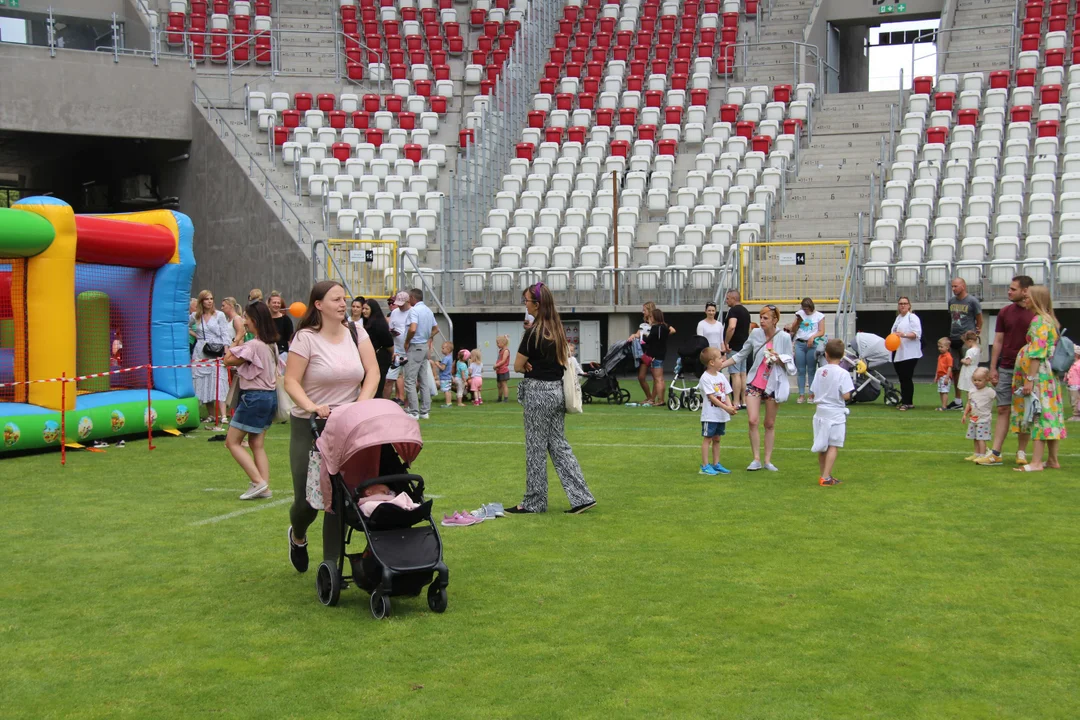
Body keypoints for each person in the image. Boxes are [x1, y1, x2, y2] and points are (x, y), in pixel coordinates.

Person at [283, 280, 380, 573]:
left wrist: (360, 404)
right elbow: (290, 381)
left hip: (347, 424)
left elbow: (373, 371)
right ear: (318, 305)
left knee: (338, 499)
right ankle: (298, 536)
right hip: (309, 426)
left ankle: (331, 568)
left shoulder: (356, 332)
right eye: (336, 299)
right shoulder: (305, 338)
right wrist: (312, 406)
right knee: (306, 502)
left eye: (344, 298)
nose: (343, 304)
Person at [507, 283, 596, 514]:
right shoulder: (556, 329)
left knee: (536, 449)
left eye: (526, 300)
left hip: (538, 393)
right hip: (556, 393)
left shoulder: (533, 332)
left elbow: (517, 365)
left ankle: (534, 502)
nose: (525, 304)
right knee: (559, 445)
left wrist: (525, 365)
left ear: (536, 304)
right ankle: (582, 497)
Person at [720, 305, 795, 471]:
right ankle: (756, 459)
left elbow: (790, 363)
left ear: (775, 320)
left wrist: (779, 359)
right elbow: (741, 354)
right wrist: (721, 365)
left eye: (765, 318)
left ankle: (768, 460)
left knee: (769, 423)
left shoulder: (783, 337)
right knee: (752, 420)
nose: (761, 321)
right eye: (761, 317)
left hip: (773, 384)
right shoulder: (755, 334)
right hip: (755, 382)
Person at [222, 302, 280, 500]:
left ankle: (258, 481)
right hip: (269, 397)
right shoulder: (270, 344)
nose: (244, 322)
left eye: (246, 318)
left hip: (254, 397)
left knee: (232, 442)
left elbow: (228, 359)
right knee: (257, 443)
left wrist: (237, 337)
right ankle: (263, 487)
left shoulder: (253, 345)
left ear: (254, 321)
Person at [977, 276, 1035, 466]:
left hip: (1026, 369)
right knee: (1002, 408)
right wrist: (993, 367)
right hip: (1006, 367)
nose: (1009, 292)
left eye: (1013, 289)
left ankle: (1021, 451)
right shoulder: (1004, 312)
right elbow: (999, 341)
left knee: (1025, 410)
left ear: (1025, 291)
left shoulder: (1036, 313)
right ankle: (996, 452)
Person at [1010, 285, 1068, 472]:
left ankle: (1036, 462)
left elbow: (1036, 353)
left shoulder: (1039, 322)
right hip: (1045, 375)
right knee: (1049, 414)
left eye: (1027, 297)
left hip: (1040, 376)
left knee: (1039, 415)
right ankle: (1052, 459)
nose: (1024, 300)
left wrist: (1029, 378)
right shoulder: (1048, 320)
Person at [810, 338, 854, 487]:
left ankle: (824, 474)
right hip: (835, 412)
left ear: (826, 355)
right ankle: (826, 476)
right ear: (842, 356)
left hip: (820, 411)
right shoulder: (843, 373)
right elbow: (847, 395)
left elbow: (814, 391)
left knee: (822, 445)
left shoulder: (820, 371)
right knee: (833, 445)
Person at [191, 289, 232, 431]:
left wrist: (226, 350)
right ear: (201, 301)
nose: (209, 301)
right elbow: (184, 325)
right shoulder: (196, 316)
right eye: (206, 299)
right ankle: (210, 414)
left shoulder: (219, 315)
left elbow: (225, 333)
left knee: (219, 380)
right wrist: (195, 335)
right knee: (203, 381)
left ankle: (223, 415)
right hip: (201, 351)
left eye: (211, 298)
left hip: (217, 350)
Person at [697, 347, 737, 476]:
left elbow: (726, 393)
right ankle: (705, 465)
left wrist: (731, 407)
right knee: (707, 439)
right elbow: (712, 398)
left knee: (717, 439)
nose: (723, 360)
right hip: (710, 415)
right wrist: (726, 408)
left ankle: (716, 463)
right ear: (711, 363)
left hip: (720, 415)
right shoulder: (705, 378)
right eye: (720, 358)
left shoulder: (721, 376)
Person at [947, 278, 983, 409]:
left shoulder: (972, 301)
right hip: (954, 337)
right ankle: (958, 401)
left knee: (969, 369)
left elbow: (979, 319)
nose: (953, 288)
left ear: (963, 286)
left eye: (956, 286)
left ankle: (974, 399)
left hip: (966, 339)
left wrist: (975, 336)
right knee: (956, 370)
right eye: (952, 286)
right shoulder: (951, 301)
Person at [403, 288, 438, 419]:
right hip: (424, 347)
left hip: (415, 346)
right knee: (423, 379)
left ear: (413, 298)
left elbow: (412, 328)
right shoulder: (428, 310)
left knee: (410, 380)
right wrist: (429, 337)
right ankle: (425, 411)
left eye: (409, 298)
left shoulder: (414, 310)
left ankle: (414, 411)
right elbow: (436, 328)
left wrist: (407, 341)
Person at [633, 307, 676, 406]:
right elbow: (671, 332)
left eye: (651, 316)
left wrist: (643, 336)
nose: (650, 318)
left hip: (655, 355)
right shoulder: (665, 327)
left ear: (655, 317)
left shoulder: (655, 328)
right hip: (661, 354)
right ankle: (660, 399)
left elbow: (648, 340)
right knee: (659, 378)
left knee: (658, 379)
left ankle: (661, 400)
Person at [788, 297, 826, 404]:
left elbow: (821, 331)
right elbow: (793, 329)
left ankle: (811, 393)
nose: (805, 311)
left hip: (812, 344)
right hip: (800, 343)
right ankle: (801, 394)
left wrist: (812, 337)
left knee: (811, 369)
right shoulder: (799, 314)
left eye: (807, 309)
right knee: (801, 370)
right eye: (804, 309)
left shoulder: (819, 316)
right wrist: (797, 322)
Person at [890, 297, 922, 410]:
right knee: (902, 378)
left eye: (905, 303)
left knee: (906, 377)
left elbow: (916, 334)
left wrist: (903, 335)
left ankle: (907, 402)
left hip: (910, 353)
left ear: (909, 305)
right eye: (900, 304)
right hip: (899, 352)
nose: (902, 305)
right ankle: (906, 400)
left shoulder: (912, 317)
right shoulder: (898, 318)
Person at [723, 290, 752, 409]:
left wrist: (726, 342)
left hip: (734, 347)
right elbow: (749, 329)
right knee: (743, 374)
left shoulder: (733, 311)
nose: (726, 301)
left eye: (728, 298)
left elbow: (731, 326)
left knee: (735, 375)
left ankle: (736, 401)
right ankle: (744, 400)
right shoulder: (746, 311)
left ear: (733, 298)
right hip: (744, 347)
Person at [361, 299, 394, 398]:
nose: (364, 311)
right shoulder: (368, 322)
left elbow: (389, 343)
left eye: (367, 309)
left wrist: (392, 354)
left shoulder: (379, 323)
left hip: (380, 357)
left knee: (377, 385)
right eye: (363, 308)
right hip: (371, 356)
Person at [962, 367, 995, 462]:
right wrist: (965, 414)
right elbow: (969, 403)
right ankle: (976, 453)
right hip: (974, 418)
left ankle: (982, 454)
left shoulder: (989, 391)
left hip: (984, 419)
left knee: (981, 438)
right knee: (975, 437)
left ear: (986, 380)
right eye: (975, 380)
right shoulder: (972, 391)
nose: (976, 382)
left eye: (979, 380)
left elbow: (998, 397)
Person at [385, 291, 411, 402]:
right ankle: (384, 404)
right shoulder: (394, 312)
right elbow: (390, 327)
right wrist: (392, 332)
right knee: (389, 379)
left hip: (410, 351)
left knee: (410, 380)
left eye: (402, 303)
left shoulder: (413, 312)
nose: (399, 305)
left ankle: (408, 405)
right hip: (397, 351)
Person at [632, 302, 656, 401]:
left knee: (656, 378)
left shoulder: (657, 325)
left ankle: (653, 399)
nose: (643, 312)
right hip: (644, 353)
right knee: (641, 377)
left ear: (650, 311)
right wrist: (632, 336)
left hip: (654, 352)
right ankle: (649, 397)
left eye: (644, 310)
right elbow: (638, 334)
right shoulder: (643, 324)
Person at [956, 330, 981, 403]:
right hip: (975, 369)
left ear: (969, 341)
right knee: (973, 389)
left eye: (965, 342)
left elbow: (968, 362)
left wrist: (962, 360)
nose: (965, 344)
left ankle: (969, 405)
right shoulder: (978, 349)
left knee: (969, 390)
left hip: (969, 371)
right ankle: (973, 405)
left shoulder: (970, 351)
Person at [935, 338, 953, 411]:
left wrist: (947, 377)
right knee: (941, 391)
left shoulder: (948, 357)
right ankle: (943, 405)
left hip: (945, 375)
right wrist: (936, 375)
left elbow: (949, 367)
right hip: (940, 376)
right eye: (939, 347)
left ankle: (944, 406)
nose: (940, 348)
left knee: (944, 391)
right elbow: (938, 366)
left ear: (947, 347)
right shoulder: (940, 356)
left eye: (941, 347)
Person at [435, 341, 454, 408]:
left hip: (444, 377)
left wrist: (437, 364)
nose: (441, 350)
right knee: (448, 390)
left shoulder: (446, 358)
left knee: (446, 391)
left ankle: (448, 403)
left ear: (448, 349)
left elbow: (443, 368)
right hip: (448, 377)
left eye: (443, 348)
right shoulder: (450, 357)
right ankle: (449, 403)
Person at [494, 335, 511, 402]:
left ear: (503, 343)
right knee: (499, 385)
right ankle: (499, 398)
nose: (497, 345)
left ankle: (506, 398)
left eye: (498, 343)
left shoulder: (506, 351)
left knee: (504, 385)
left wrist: (496, 365)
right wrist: (497, 367)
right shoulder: (501, 351)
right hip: (499, 371)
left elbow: (503, 361)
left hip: (503, 371)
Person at [1068, 345, 1080, 422]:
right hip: (1072, 385)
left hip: (1076, 385)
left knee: (1075, 400)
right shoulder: (1073, 363)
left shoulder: (1078, 364)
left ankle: (1076, 415)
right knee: (1072, 399)